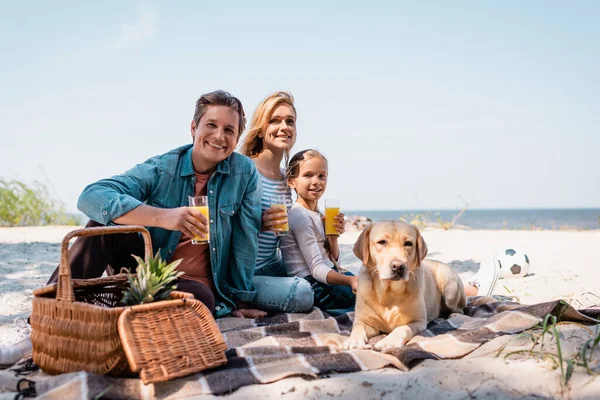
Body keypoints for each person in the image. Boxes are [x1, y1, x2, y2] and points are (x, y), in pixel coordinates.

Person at [46, 90, 265, 319]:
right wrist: (162, 217)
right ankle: (47, 315)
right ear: (194, 128)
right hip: (145, 275)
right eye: (211, 125)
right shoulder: (164, 168)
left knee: (202, 299)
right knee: (100, 226)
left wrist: (240, 300)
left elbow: (245, 238)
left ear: (237, 138)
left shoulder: (244, 172)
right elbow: (92, 196)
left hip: (191, 287)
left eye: (229, 130)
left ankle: (120, 316)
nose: (219, 136)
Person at [238, 92, 314, 313]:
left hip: (275, 264)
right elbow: (222, 229)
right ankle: (244, 300)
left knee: (334, 276)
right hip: (247, 275)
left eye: (290, 121)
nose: (284, 126)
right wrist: (258, 224)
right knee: (303, 293)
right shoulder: (244, 170)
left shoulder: (285, 178)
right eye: (274, 120)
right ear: (260, 129)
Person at [280, 149, 356, 316]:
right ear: (292, 181)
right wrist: (350, 280)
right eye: (308, 175)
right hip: (312, 283)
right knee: (369, 300)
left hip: (326, 276)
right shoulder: (298, 215)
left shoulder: (318, 214)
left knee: (374, 288)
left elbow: (334, 262)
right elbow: (315, 269)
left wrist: (333, 237)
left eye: (322, 176)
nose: (317, 182)